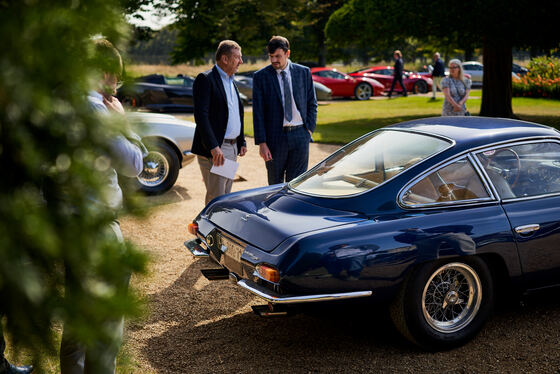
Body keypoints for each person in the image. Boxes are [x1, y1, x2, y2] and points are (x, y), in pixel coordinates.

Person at [59, 38, 144, 374]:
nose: (116, 85)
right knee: (107, 324)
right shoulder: (97, 109)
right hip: (98, 225)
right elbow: (133, 164)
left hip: (69, 218)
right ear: (107, 72)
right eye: (117, 78)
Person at [252, 36, 317, 185]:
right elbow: (258, 113)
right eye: (271, 56)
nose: (274, 60)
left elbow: (312, 103)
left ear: (288, 54)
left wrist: (309, 130)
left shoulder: (304, 72)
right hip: (275, 139)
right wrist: (262, 143)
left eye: (278, 56)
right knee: (275, 185)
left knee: (297, 184)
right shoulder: (261, 77)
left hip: (301, 135)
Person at [192, 40, 247, 205]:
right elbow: (201, 115)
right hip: (217, 149)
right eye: (238, 57)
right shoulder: (206, 79)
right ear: (225, 59)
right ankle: (209, 230)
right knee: (216, 197)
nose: (241, 62)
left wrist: (241, 140)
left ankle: (219, 229)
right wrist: (214, 147)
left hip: (231, 148)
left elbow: (236, 112)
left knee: (225, 195)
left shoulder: (231, 81)